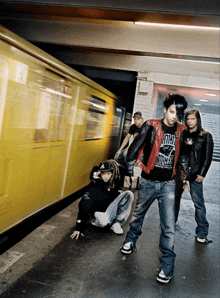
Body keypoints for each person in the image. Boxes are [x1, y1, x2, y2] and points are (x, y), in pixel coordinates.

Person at [120, 94, 189, 284]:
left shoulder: (181, 130)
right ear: (165, 109)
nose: (175, 116)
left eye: (178, 113)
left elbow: (183, 155)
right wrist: (129, 171)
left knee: (168, 226)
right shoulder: (151, 125)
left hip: (168, 183)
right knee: (138, 214)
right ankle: (130, 240)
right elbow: (134, 148)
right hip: (148, 181)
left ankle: (167, 265)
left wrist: (186, 177)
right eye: (172, 111)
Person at [175, 109, 213, 243]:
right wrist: (182, 174)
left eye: (192, 119)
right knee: (175, 200)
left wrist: (202, 174)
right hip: (181, 174)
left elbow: (207, 157)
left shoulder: (205, 136)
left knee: (199, 204)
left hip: (196, 175)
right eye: (188, 119)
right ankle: (170, 226)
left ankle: (202, 232)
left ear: (198, 120)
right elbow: (181, 155)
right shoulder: (183, 134)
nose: (190, 121)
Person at [70, 160, 134, 240]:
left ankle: (116, 223)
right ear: (100, 174)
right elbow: (84, 206)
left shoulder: (112, 183)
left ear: (112, 174)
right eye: (103, 174)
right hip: (99, 215)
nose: (106, 176)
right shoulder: (94, 187)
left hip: (109, 211)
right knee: (103, 221)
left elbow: (121, 168)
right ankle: (106, 221)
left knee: (129, 194)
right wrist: (78, 227)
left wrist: (127, 176)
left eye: (108, 174)